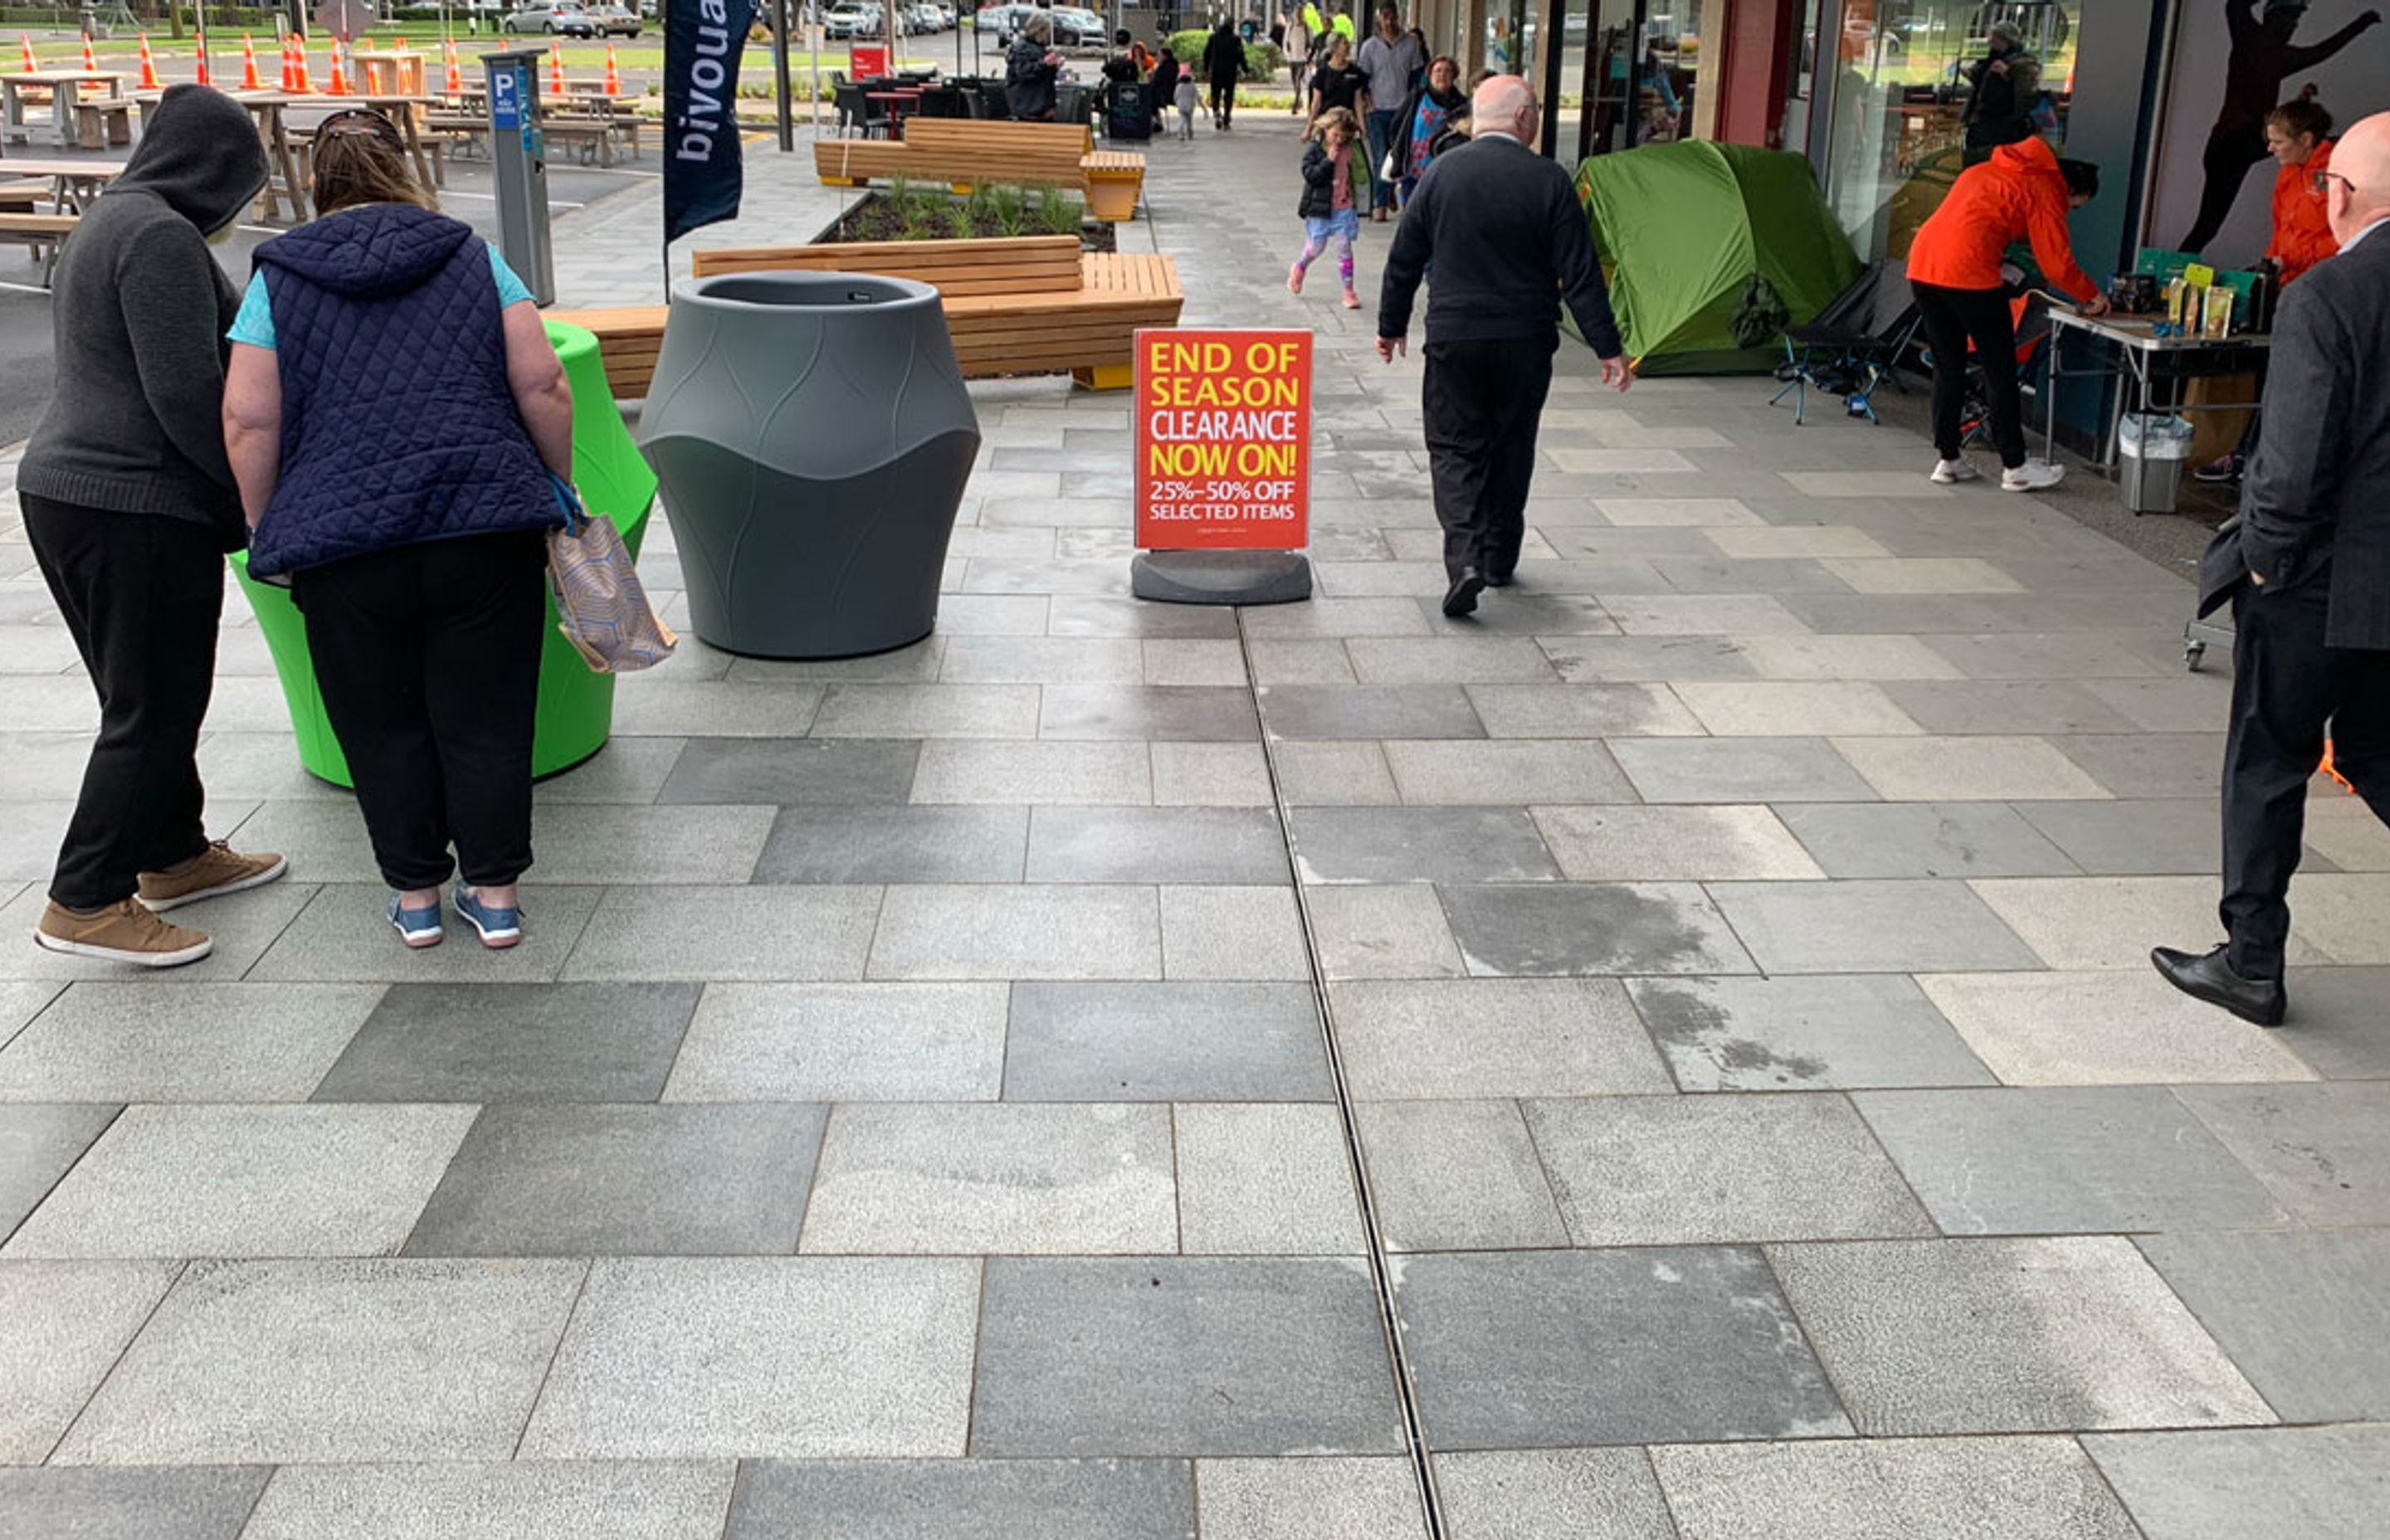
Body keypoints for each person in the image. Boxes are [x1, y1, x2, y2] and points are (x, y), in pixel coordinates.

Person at [222, 110, 575, 951]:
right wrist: (555, 482)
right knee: (486, 715)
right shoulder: (469, 254)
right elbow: (544, 381)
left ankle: (416, 899)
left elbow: (247, 417)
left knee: (380, 722)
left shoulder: (277, 277)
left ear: (316, 181)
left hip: (344, 545)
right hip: (481, 524)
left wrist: (267, 522)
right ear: (405, 168)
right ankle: (494, 897)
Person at [18, 85, 285, 967]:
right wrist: (245, 497)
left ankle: (172, 851)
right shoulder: (162, 236)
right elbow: (185, 391)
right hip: (133, 501)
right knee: (156, 701)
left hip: (66, 492)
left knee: (139, 690)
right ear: (211, 170)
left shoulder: (110, 219)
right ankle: (86, 896)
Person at [2156, 111, 2390, 1026]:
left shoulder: (2328, 296)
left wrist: (2264, 561)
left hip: (2318, 580)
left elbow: (2290, 461)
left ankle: (2252, 963)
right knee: (2376, 749)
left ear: (2344, 196)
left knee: (2268, 759)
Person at [1378, 76, 1632, 619]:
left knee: (1454, 447)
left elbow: (1404, 257)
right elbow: (1580, 275)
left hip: (1455, 337)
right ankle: (1497, 557)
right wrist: (1607, 347)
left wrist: (1390, 325)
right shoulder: (1550, 181)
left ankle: (1465, 560)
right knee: (1512, 443)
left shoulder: (1441, 173)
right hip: (1524, 339)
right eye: (1537, 109)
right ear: (1523, 119)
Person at [1905, 138, 2106, 492]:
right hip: (1968, 274)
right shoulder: (2046, 188)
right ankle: (2015, 466)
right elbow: (2056, 263)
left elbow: (1974, 221)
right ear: (2071, 188)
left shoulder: (1986, 170)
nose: (2069, 211)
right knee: (1999, 369)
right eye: (2075, 205)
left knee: (1947, 365)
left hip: (1923, 266)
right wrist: (2092, 295)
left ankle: (1948, 458)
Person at [2197, 92, 2341, 484]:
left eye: (2278, 141)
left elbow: (2344, 237)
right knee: (2269, 374)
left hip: (2321, 290)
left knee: (2295, 381)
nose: (2270, 148)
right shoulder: (2287, 173)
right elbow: (2280, 230)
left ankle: (2262, 459)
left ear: (2307, 140)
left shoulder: (2337, 174)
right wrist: (2270, 269)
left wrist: (2301, 260)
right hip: (2287, 287)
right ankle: (2249, 454)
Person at [2180, 0, 2379, 255]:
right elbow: (2235, 6)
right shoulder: (2249, 37)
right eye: (2290, 19)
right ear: (2274, 17)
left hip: (2240, 145)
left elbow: (2323, 50)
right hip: (2233, 142)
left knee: (2207, 228)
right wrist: (2361, 24)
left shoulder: (2283, 55)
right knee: (2206, 227)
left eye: (2296, 21)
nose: (2294, 26)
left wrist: (2360, 25)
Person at [1290, 106, 1365, 309]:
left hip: (1344, 207)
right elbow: (1311, 175)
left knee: (1344, 248)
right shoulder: (1314, 150)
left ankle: (1349, 291)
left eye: (1344, 135)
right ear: (1325, 129)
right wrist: (1328, 160)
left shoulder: (1351, 150)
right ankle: (1300, 267)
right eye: (1335, 134)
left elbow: (1360, 174)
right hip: (1320, 209)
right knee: (1317, 247)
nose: (1339, 139)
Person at [1354, 6, 1421, 221]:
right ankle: (1380, 203)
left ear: (1398, 18)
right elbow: (1362, 80)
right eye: (1386, 18)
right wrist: (1368, 105)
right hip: (1378, 110)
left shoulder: (1411, 44)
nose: (1390, 22)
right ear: (1379, 20)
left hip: (1403, 109)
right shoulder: (1369, 47)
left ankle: (1401, 197)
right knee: (1380, 158)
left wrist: (1413, 103)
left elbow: (1417, 77)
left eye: (1393, 17)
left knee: (1403, 157)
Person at [1386, 53, 1464, 205]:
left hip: (1442, 171)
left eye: (1447, 71)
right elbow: (1397, 125)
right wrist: (1397, 152)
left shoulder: (1461, 104)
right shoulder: (1417, 96)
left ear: (1454, 76)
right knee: (1411, 212)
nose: (1442, 75)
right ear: (1429, 74)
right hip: (1412, 168)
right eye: (1438, 71)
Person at [1960, 19, 2036, 154]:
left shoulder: (2022, 62)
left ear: (2004, 39)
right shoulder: (1992, 59)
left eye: (1993, 37)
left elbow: (2025, 90)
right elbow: (1983, 84)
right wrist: (1972, 74)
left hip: (2004, 123)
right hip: (1983, 120)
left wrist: (2008, 73)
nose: (1990, 41)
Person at [1006, 15, 1061, 121]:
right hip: (1028, 106)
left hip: (1042, 105)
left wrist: (1054, 66)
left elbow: (1044, 75)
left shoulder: (1039, 48)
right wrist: (1044, 63)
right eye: (1046, 32)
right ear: (1039, 31)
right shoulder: (1021, 48)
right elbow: (1023, 72)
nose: (1047, 36)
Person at [1307, 32, 1367, 124]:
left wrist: (1363, 128)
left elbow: (1358, 102)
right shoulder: (1323, 72)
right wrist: (1309, 128)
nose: (1349, 46)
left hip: (1348, 121)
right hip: (1328, 122)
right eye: (1345, 43)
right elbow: (1316, 103)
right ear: (1335, 48)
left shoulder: (1355, 72)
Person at [1203, 17, 1244, 130]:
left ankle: (1217, 115)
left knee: (1215, 95)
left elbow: (1207, 54)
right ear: (1232, 26)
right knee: (1229, 96)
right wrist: (1245, 69)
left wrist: (1206, 69)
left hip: (1216, 71)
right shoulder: (1235, 39)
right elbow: (1240, 56)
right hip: (1230, 72)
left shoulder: (1213, 38)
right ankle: (1226, 117)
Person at [1151, 34, 1182, 135]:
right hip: (1168, 93)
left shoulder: (1165, 68)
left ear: (1165, 56)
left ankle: (1155, 122)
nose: (1157, 58)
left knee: (1147, 99)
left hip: (1164, 95)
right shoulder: (1172, 66)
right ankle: (1156, 121)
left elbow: (1157, 82)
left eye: (1159, 55)